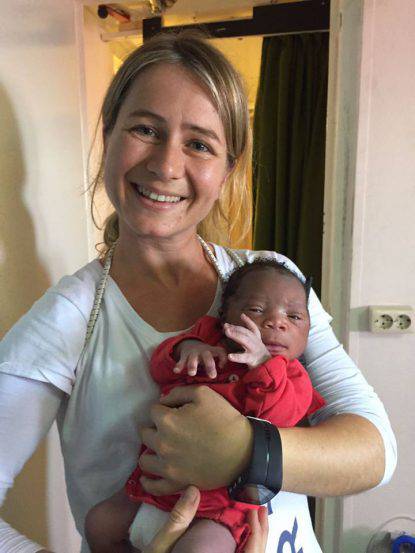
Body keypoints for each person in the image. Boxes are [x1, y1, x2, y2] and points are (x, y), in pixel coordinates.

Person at [0, 31, 396, 553]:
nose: (166, 166)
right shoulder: (67, 318)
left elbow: (375, 450)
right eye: (145, 129)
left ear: (228, 168)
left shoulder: (270, 282)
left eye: (199, 144)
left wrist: (245, 451)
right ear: (109, 134)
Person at [85, 259, 326, 552]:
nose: (277, 322)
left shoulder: (292, 377)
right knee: (98, 524)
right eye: (256, 310)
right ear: (225, 316)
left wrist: (265, 365)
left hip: (221, 506)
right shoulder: (207, 339)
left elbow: (281, 417)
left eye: (294, 316)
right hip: (153, 483)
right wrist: (186, 350)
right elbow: (159, 366)